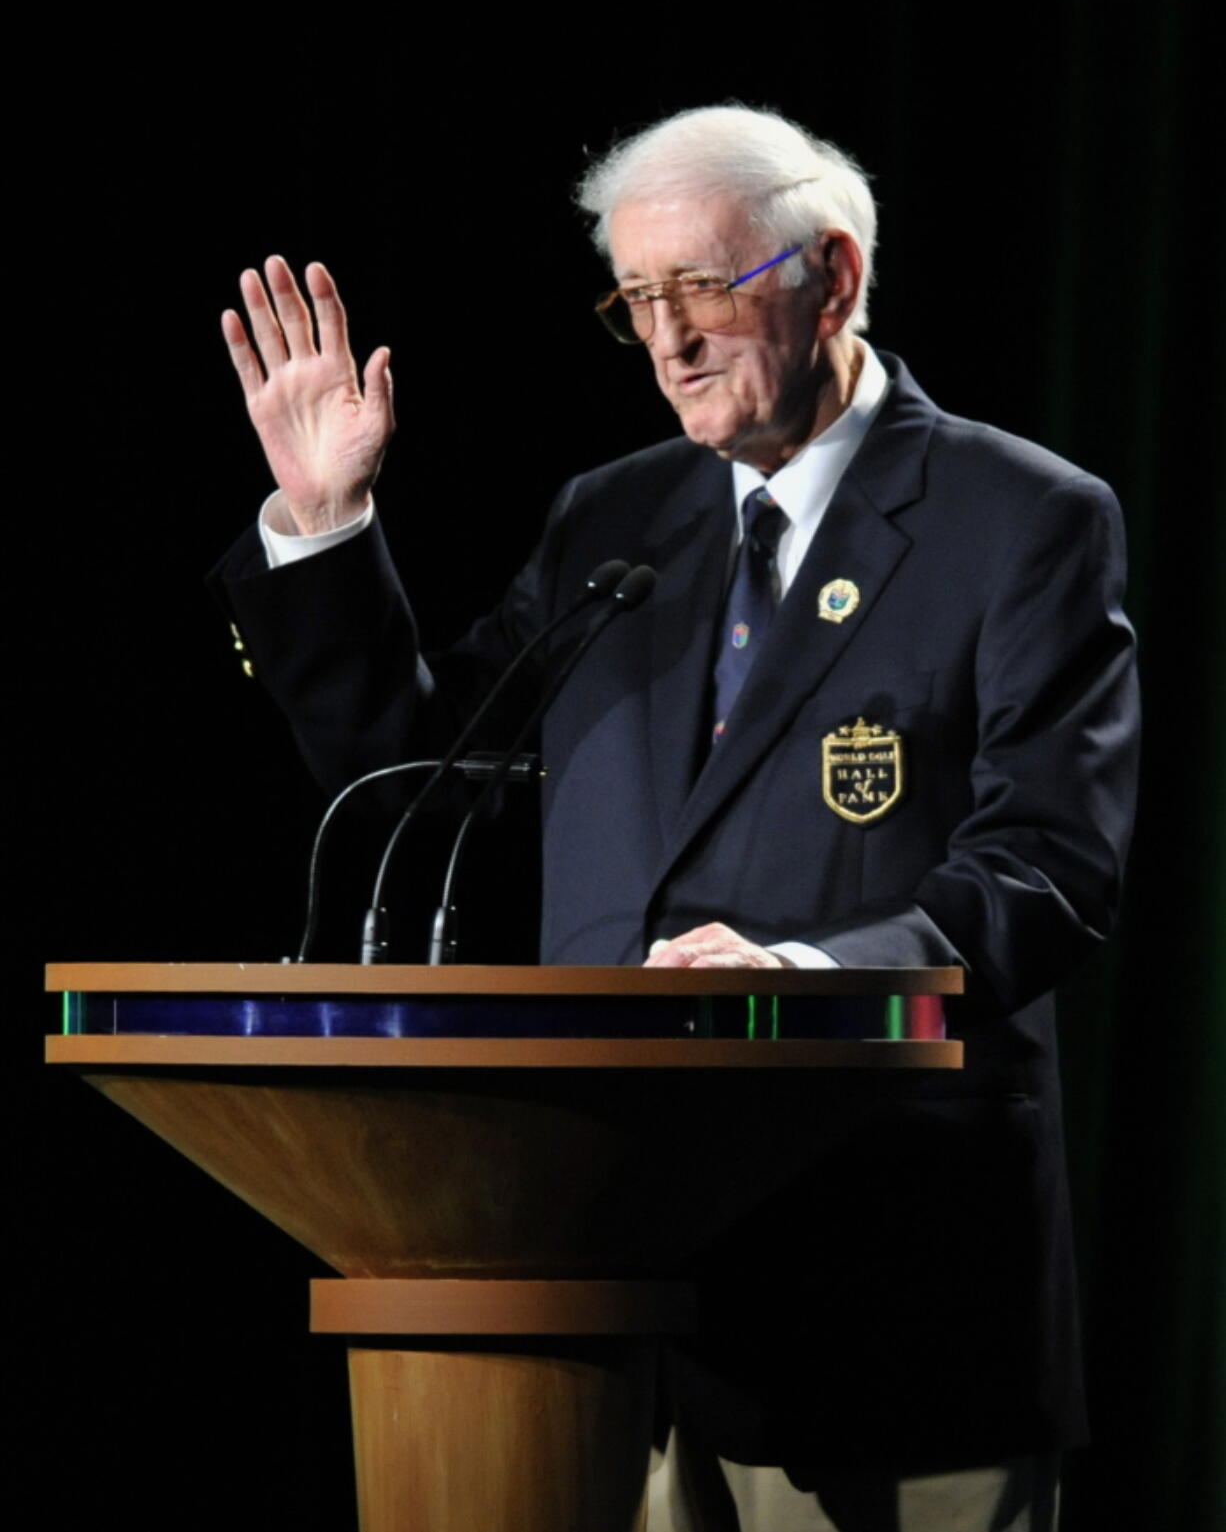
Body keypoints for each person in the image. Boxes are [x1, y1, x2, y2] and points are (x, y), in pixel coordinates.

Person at [213, 106, 1139, 1530]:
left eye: (703, 288)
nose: (667, 339)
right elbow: (417, 770)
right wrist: (323, 525)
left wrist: (818, 982)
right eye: (636, 300)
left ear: (832, 275)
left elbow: (1052, 865)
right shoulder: (614, 519)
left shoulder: (1019, 516)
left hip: (890, 1290)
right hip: (611, 1290)